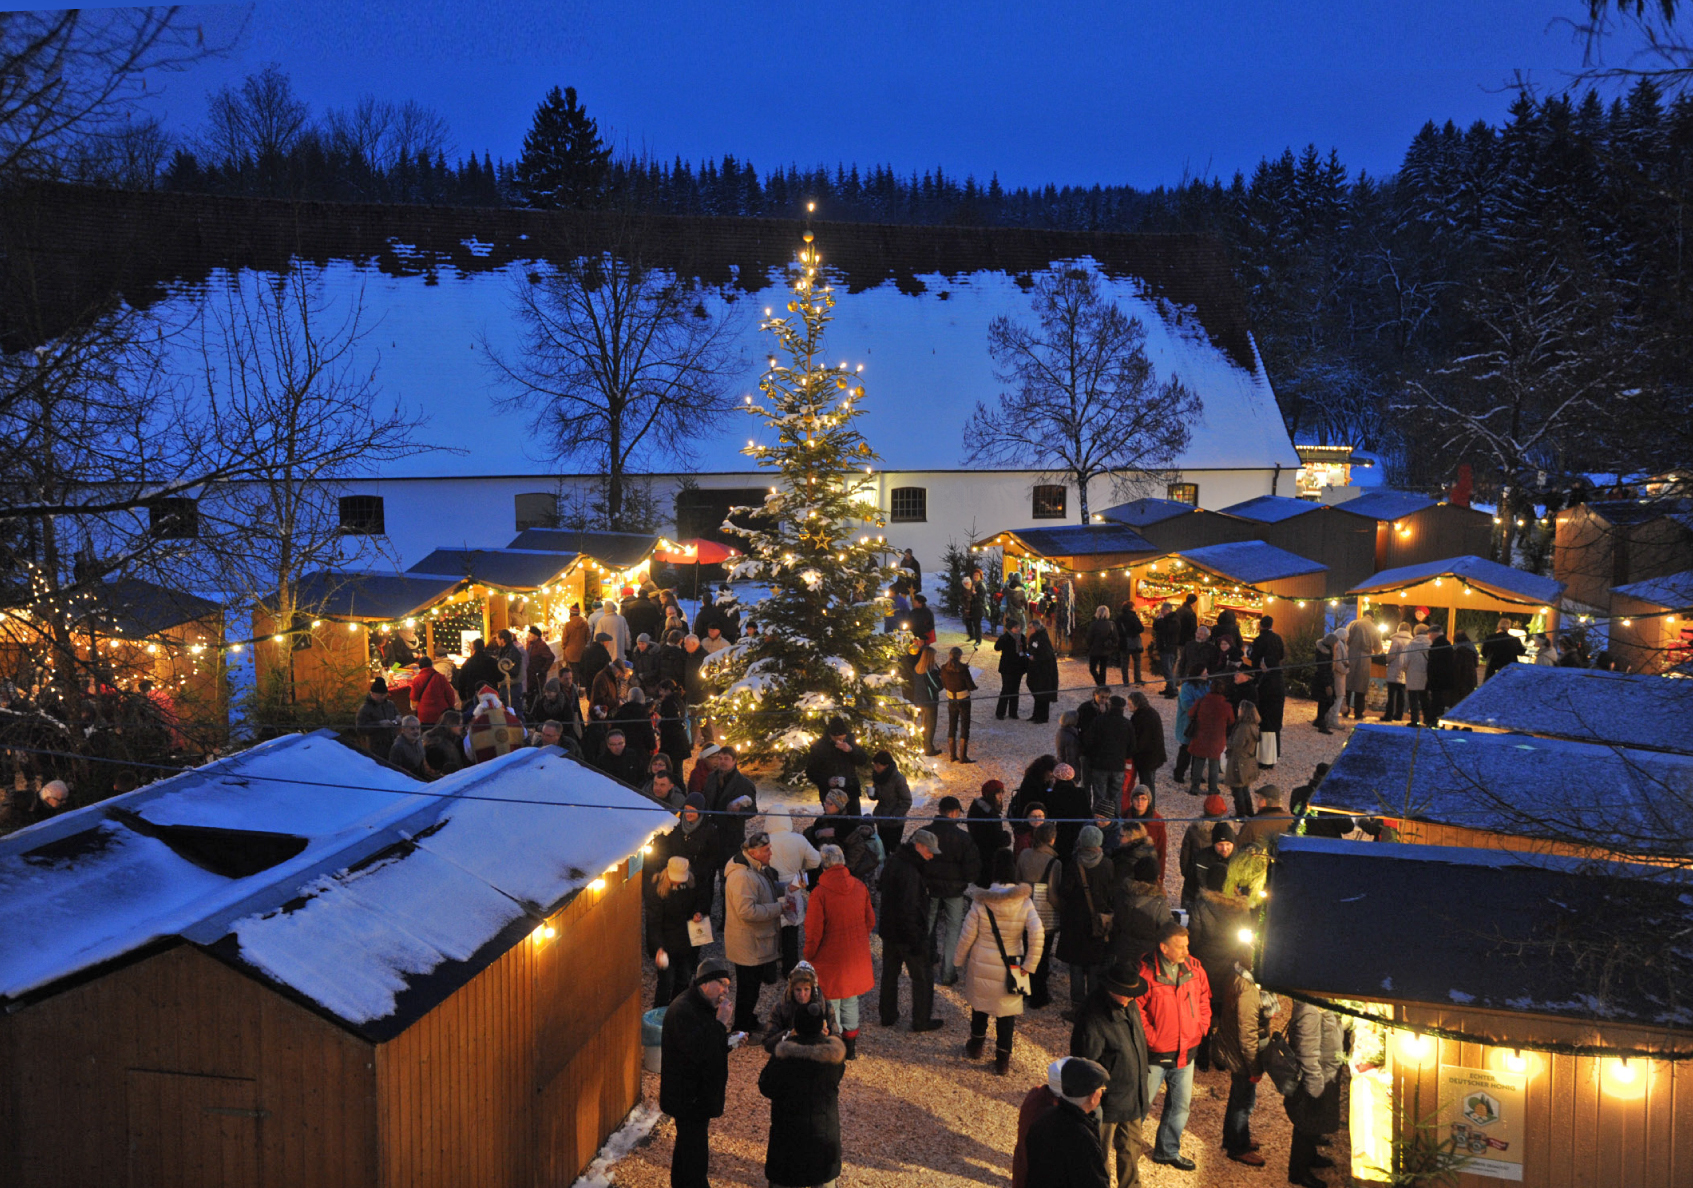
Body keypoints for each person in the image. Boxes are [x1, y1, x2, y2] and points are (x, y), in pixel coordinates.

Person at [955, 849, 1045, 1075]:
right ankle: (1002, 1060)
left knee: (980, 1006)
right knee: (1007, 1014)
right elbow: (1038, 932)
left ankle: (976, 1046)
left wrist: (957, 960)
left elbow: (967, 935)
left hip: (982, 960)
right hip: (1014, 966)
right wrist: (1029, 966)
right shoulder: (1024, 902)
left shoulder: (981, 901)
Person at [1070, 959, 1151, 1188]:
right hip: (1106, 1104)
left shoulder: (1128, 1003)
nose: (1131, 997)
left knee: (1131, 1150)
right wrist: (1098, 1097)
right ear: (1111, 988)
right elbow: (1086, 1064)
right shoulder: (1092, 1016)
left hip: (1132, 1097)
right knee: (1099, 1157)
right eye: (1126, 993)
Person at [1138, 922, 1211, 1171]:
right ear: (1164, 947)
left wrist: (1201, 1027)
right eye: (1180, 947)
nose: (1186, 952)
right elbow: (1136, 1011)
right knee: (1141, 1104)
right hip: (1156, 1055)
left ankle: (1167, 1151)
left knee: (1180, 1106)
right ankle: (1127, 1145)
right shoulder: (1145, 973)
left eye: (1187, 946)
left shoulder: (1195, 968)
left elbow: (1204, 998)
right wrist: (1153, 1039)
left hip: (1185, 1052)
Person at [659, 961, 734, 1188]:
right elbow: (698, 1050)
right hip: (689, 1099)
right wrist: (721, 1024)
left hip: (695, 1097)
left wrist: (729, 1041)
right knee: (694, 1157)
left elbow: (706, 1042)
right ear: (705, 982)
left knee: (687, 1151)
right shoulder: (684, 1010)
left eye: (728, 986)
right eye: (722, 984)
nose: (726, 991)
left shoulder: (701, 1005)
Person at [759, 1000, 847, 1188]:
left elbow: (766, 1086)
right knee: (823, 1180)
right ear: (821, 1027)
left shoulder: (783, 1056)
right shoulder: (833, 1059)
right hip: (823, 1136)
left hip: (788, 1137)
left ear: (796, 1026)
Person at [804, 843, 877, 1059]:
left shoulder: (820, 893)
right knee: (851, 999)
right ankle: (851, 1046)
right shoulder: (859, 886)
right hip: (855, 955)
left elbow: (814, 931)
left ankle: (834, 1047)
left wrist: (809, 955)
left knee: (831, 1002)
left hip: (830, 957)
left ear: (823, 865)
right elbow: (870, 920)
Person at [1212, 933, 1277, 1167]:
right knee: (1243, 1102)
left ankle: (1235, 1139)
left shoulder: (1237, 974)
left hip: (1234, 1050)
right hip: (1242, 1057)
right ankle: (1237, 1148)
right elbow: (1247, 1033)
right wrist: (1254, 1067)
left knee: (1238, 1099)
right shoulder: (1248, 989)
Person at [878, 828, 943, 1032]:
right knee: (922, 977)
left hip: (889, 931)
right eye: (929, 851)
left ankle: (887, 1015)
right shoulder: (911, 871)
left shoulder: (894, 861)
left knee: (890, 974)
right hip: (907, 934)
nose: (931, 855)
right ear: (919, 846)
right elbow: (908, 908)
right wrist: (916, 939)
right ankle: (921, 1020)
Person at [1284, 999, 1353, 1188]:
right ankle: (1298, 1171)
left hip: (1325, 1073)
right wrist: (1315, 1085)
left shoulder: (1320, 1003)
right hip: (1317, 1078)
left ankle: (1310, 1156)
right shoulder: (1310, 1009)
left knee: (1314, 1123)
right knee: (1306, 1124)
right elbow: (1307, 1052)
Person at [724, 831, 783, 1033]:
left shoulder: (754, 868)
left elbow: (763, 889)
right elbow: (747, 911)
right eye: (766, 850)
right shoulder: (742, 876)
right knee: (747, 991)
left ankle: (747, 1021)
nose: (771, 853)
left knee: (751, 989)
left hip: (752, 943)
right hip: (748, 945)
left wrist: (786, 888)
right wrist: (779, 908)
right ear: (754, 853)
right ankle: (742, 1029)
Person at [1024, 1058, 1112, 1188]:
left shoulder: (1043, 1118)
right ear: (1093, 1096)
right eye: (1101, 1089)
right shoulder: (1082, 1137)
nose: (1102, 1093)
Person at [924, 796, 981, 986]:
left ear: (939, 810)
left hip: (929, 889)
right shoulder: (963, 838)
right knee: (953, 930)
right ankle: (947, 973)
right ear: (955, 812)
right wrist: (963, 881)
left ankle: (924, 966)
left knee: (926, 926)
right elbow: (972, 870)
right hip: (954, 891)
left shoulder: (924, 833)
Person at [1057, 825, 1115, 1014]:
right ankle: (1093, 1006)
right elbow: (1111, 892)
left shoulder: (1074, 864)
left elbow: (1064, 891)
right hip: (1098, 922)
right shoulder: (1107, 864)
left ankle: (1077, 1006)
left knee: (1075, 965)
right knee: (1094, 965)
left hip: (1075, 923)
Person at [647, 855, 710, 1007]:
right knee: (666, 983)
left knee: (684, 978)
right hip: (668, 944)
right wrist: (658, 948)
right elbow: (654, 923)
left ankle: (677, 1009)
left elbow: (701, 902)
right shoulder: (658, 891)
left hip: (686, 942)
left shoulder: (692, 885)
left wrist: (698, 912)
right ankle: (661, 1013)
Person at [1016, 820, 1064, 1008]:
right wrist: (1062, 910)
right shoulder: (1054, 862)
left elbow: (1017, 880)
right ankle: (1038, 996)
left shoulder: (1024, 854)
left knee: (1023, 951)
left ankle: (1021, 990)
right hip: (1044, 917)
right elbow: (1053, 894)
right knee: (1041, 957)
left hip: (1024, 910)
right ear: (1052, 839)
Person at [761, 962, 840, 1053]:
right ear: (792, 989)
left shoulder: (825, 1007)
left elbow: (837, 1041)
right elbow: (767, 1043)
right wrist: (789, 1034)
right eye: (798, 989)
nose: (802, 995)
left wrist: (826, 1037)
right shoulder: (780, 1008)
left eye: (806, 989)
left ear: (813, 989)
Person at [805, 718, 868, 816]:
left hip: (850, 790)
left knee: (854, 821)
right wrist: (827, 780)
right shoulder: (820, 747)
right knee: (835, 823)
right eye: (837, 739)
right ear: (830, 735)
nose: (840, 741)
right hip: (830, 795)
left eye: (842, 738)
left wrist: (851, 750)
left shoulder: (850, 742)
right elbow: (811, 771)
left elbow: (863, 760)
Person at [1081, 695, 1132, 815]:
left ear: (1109, 706)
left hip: (1100, 766)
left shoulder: (1099, 721)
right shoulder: (1127, 724)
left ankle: (1098, 824)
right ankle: (1115, 823)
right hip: (1118, 766)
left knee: (1099, 797)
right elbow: (1132, 747)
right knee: (1116, 797)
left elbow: (1088, 742)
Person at [1246, 615, 1285, 769]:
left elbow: (1253, 656)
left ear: (1261, 625)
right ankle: (1274, 754)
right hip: (1275, 699)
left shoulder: (1259, 640)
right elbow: (1281, 655)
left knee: (1265, 723)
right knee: (1274, 727)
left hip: (1265, 688)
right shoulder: (1277, 638)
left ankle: (1263, 755)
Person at [1180, 795, 1232, 906]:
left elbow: (1185, 855)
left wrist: (1187, 874)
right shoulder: (1228, 833)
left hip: (1195, 880)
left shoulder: (1193, 829)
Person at [1188, 680, 1235, 797]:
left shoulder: (1201, 701)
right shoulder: (1226, 706)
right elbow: (1231, 721)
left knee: (1198, 763)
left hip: (1201, 736)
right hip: (1217, 739)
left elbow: (1190, 713)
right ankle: (1212, 789)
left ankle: (1194, 787)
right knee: (1214, 764)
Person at [866, 750, 913, 859]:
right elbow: (877, 796)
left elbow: (907, 800)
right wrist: (872, 794)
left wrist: (895, 815)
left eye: (878, 766)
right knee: (883, 846)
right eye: (874, 766)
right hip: (882, 817)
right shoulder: (878, 777)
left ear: (886, 766)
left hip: (894, 821)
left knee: (894, 847)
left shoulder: (898, 779)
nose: (875, 768)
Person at [938, 646, 979, 764]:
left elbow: (944, 684)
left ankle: (952, 755)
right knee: (965, 725)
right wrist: (974, 687)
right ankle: (963, 756)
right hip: (964, 699)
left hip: (951, 698)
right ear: (960, 656)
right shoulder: (963, 669)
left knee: (952, 725)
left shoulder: (944, 668)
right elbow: (970, 686)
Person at [902, 637, 942, 755]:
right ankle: (928, 748)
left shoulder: (917, 669)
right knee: (929, 725)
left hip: (919, 699)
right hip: (929, 701)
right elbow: (937, 686)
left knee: (920, 723)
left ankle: (916, 743)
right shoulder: (929, 671)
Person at [967, 779, 1010, 887]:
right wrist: (1006, 836)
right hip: (988, 857)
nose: (1001, 796)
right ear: (990, 795)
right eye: (998, 793)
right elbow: (996, 838)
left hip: (980, 854)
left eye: (1002, 792)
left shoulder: (977, 807)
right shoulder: (989, 814)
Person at [1223, 699, 1261, 819]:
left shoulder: (1243, 727)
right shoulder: (1254, 726)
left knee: (1237, 788)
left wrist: (1228, 743)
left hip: (1238, 761)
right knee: (1244, 787)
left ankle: (1240, 814)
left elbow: (1237, 744)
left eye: (1240, 708)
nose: (1238, 710)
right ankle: (1249, 811)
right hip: (1247, 760)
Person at [1127, 692, 1166, 797]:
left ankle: (1149, 809)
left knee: (1146, 786)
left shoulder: (1140, 717)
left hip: (1146, 758)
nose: (1128, 706)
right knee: (1150, 784)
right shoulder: (1151, 713)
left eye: (1130, 703)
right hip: (1155, 756)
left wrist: (1130, 751)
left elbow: (1140, 741)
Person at [1124, 785, 1167, 880]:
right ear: (1132, 800)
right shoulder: (1125, 817)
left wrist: (1160, 876)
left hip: (1148, 868)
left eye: (1144, 799)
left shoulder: (1158, 822)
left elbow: (1161, 850)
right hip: (1129, 868)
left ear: (1149, 800)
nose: (1140, 802)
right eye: (1136, 798)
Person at [1238, 783, 1295, 850]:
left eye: (1258, 798)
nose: (1257, 802)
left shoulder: (1252, 825)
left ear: (1263, 802)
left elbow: (1239, 849)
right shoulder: (1293, 820)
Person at [356, 678, 401, 757]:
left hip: (393, 742)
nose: (383, 697)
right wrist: (379, 724)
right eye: (380, 695)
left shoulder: (390, 704)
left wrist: (398, 718)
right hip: (376, 746)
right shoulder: (365, 709)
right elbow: (360, 728)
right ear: (372, 694)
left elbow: (397, 714)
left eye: (384, 695)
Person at [1026, 620, 1060, 724]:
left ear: (1035, 628)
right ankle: (1036, 714)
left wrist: (1034, 657)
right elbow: (1032, 649)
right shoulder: (1036, 637)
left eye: (1030, 627)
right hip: (1036, 669)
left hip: (1043, 671)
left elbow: (1047, 655)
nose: (1029, 629)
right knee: (1036, 691)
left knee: (1042, 693)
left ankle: (1043, 717)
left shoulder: (1042, 638)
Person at [1344, 614, 1377, 719]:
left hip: (1351, 655)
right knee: (1361, 686)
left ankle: (1345, 710)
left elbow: (1346, 638)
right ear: (1372, 618)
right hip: (1365, 659)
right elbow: (1378, 648)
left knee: (1347, 684)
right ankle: (1358, 713)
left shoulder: (1353, 623)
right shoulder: (1374, 628)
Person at [409, 655, 457, 726]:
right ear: (432, 665)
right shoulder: (440, 677)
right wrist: (450, 708)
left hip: (424, 715)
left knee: (427, 735)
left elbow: (413, 697)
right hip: (441, 713)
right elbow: (450, 695)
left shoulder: (417, 680)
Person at [996, 620, 1028, 720]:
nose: (1018, 629)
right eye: (1016, 627)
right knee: (1006, 689)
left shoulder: (1022, 637)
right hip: (1007, 668)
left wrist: (1027, 659)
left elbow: (1025, 650)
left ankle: (1013, 712)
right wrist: (1002, 641)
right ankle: (1000, 713)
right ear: (1010, 628)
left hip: (1018, 668)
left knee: (1015, 690)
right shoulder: (1005, 638)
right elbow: (997, 647)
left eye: (1019, 627)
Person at [1382, 621, 1413, 722]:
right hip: (1405, 670)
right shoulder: (1412, 641)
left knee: (1391, 695)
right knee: (1401, 694)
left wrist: (1387, 660)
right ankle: (1399, 715)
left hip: (1394, 669)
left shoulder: (1396, 640)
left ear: (1399, 629)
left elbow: (1391, 655)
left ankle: (1389, 715)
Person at [1403, 622, 1432, 727]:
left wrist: (1405, 670)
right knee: (1425, 699)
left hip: (1413, 675)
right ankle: (1428, 719)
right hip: (1426, 676)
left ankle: (1415, 720)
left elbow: (1405, 661)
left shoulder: (1411, 644)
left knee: (1413, 699)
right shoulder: (1431, 644)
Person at [424, 710, 469, 776]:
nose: (461, 727)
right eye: (459, 724)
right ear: (450, 725)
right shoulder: (436, 744)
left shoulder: (455, 739)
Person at [1153, 601, 1181, 697]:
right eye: (1161, 609)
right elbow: (1156, 627)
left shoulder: (1173, 620)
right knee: (1166, 669)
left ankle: (1173, 690)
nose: (1162, 611)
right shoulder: (1165, 619)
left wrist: (1160, 620)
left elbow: (1166, 630)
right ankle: (1169, 688)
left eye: (1163, 610)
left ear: (1169, 610)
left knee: (1167, 669)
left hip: (1168, 647)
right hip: (1164, 647)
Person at [1116, 600, 1146, 687]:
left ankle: (1126, 681)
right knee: (1137, 661)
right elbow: (1141, 629)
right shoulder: (1133, 617)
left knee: (1124, 662)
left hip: (1123, 642)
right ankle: (1137, 679)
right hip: (1134, 642)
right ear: (1131, 607)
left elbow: (1117, 629)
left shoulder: (1119, 618)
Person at [560, 604, 591, 681]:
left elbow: (564, 639)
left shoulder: (568, 625)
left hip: (571, 653)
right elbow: (588, 636)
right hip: (582, 651)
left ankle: (574, 689)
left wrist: (564, 647)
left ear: (571, 613)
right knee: (582, 672)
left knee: (574, 672)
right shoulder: (585, 623)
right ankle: (582, 689)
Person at [595, 598, 631, 663]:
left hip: (606, 652)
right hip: (620, 651)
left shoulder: (602, 621)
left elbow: (597, 637)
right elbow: (627, 635)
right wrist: (627, 648)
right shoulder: (622, 619)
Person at [962, 575, 985, 645]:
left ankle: (978, 640)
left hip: (978, 608)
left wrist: (974, 594)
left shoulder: (980, 586)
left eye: (977, 575)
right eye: (974, 575)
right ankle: (972, 636)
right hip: (970, 608)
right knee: (968, 622)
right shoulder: (969, 586)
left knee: (977, 624)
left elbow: (981, 598)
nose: (975, 577)